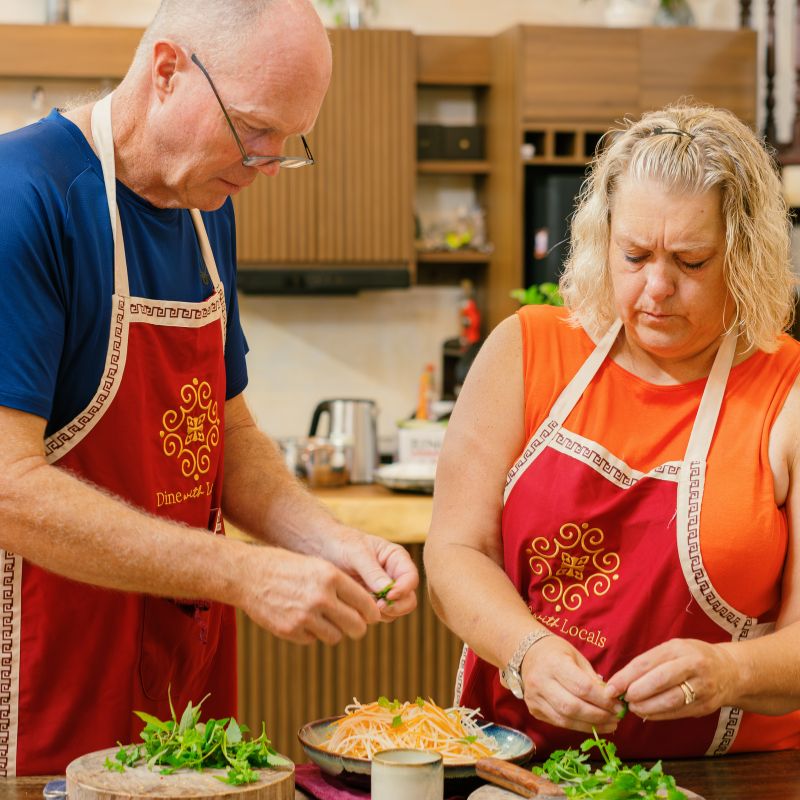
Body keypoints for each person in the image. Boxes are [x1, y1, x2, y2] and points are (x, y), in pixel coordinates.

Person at [0, 0, 418, 777]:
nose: (268, 164)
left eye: (288, 141)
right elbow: (8, 488)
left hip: (175, 680)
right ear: (167, 71)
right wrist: (243, 572)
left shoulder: (206, 205)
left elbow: (228, 436)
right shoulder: (22, 198)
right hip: (44, 690)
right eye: (254, 129)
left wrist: (327, 541)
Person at [424, 104, 800, 759]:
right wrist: (526, 650)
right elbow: (456, 551)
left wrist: (728, 672)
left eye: (691, 261)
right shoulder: (525, 350)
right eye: (634, 255)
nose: (657, 287)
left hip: (724, 778)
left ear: (743, 255)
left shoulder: (787, 391)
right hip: (518, 764)